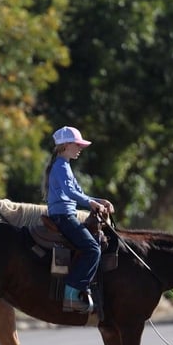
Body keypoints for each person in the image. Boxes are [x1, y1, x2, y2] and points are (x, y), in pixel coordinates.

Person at [42, 126, 115, 313]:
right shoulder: (61, 166)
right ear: (66, 146)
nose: (80, 148)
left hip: (66, 214)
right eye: (77, 145)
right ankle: (72, 294)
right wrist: (91, 203)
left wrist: (100, 201)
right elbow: (70, 192)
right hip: (64, 216)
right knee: (93, 249)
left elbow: (79, 193)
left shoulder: (64, 165)